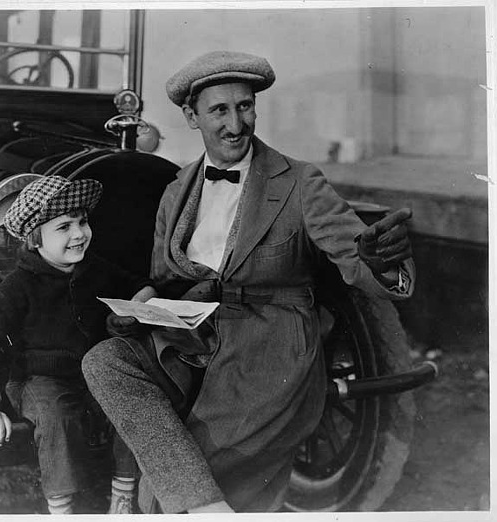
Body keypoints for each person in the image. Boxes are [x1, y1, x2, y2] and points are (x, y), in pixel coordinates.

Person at [81, 50, 416, 514]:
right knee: (104, 361)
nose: (235, 124)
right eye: (219, 110)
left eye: (245, 106)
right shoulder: (177, 190)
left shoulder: (301, 182)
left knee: (181, 482)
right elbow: (164, 277)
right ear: (191, 116)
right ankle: (198, 502)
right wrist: (146, 300)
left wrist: (378, 262)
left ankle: (198, 505)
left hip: (267, 346)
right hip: (191, 337)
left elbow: (354, 253)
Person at [0, 176, 157, 514]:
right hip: (38, 380)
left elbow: (142, 285)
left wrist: (137, 306)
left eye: (82, 222)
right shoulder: (17, 288)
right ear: (36, 240)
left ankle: (123, 495)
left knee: (129, 403)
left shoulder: (94, 269)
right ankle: (61, 506)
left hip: (93, 376)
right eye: (64, 227)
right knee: (56, 417)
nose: (79, 233)